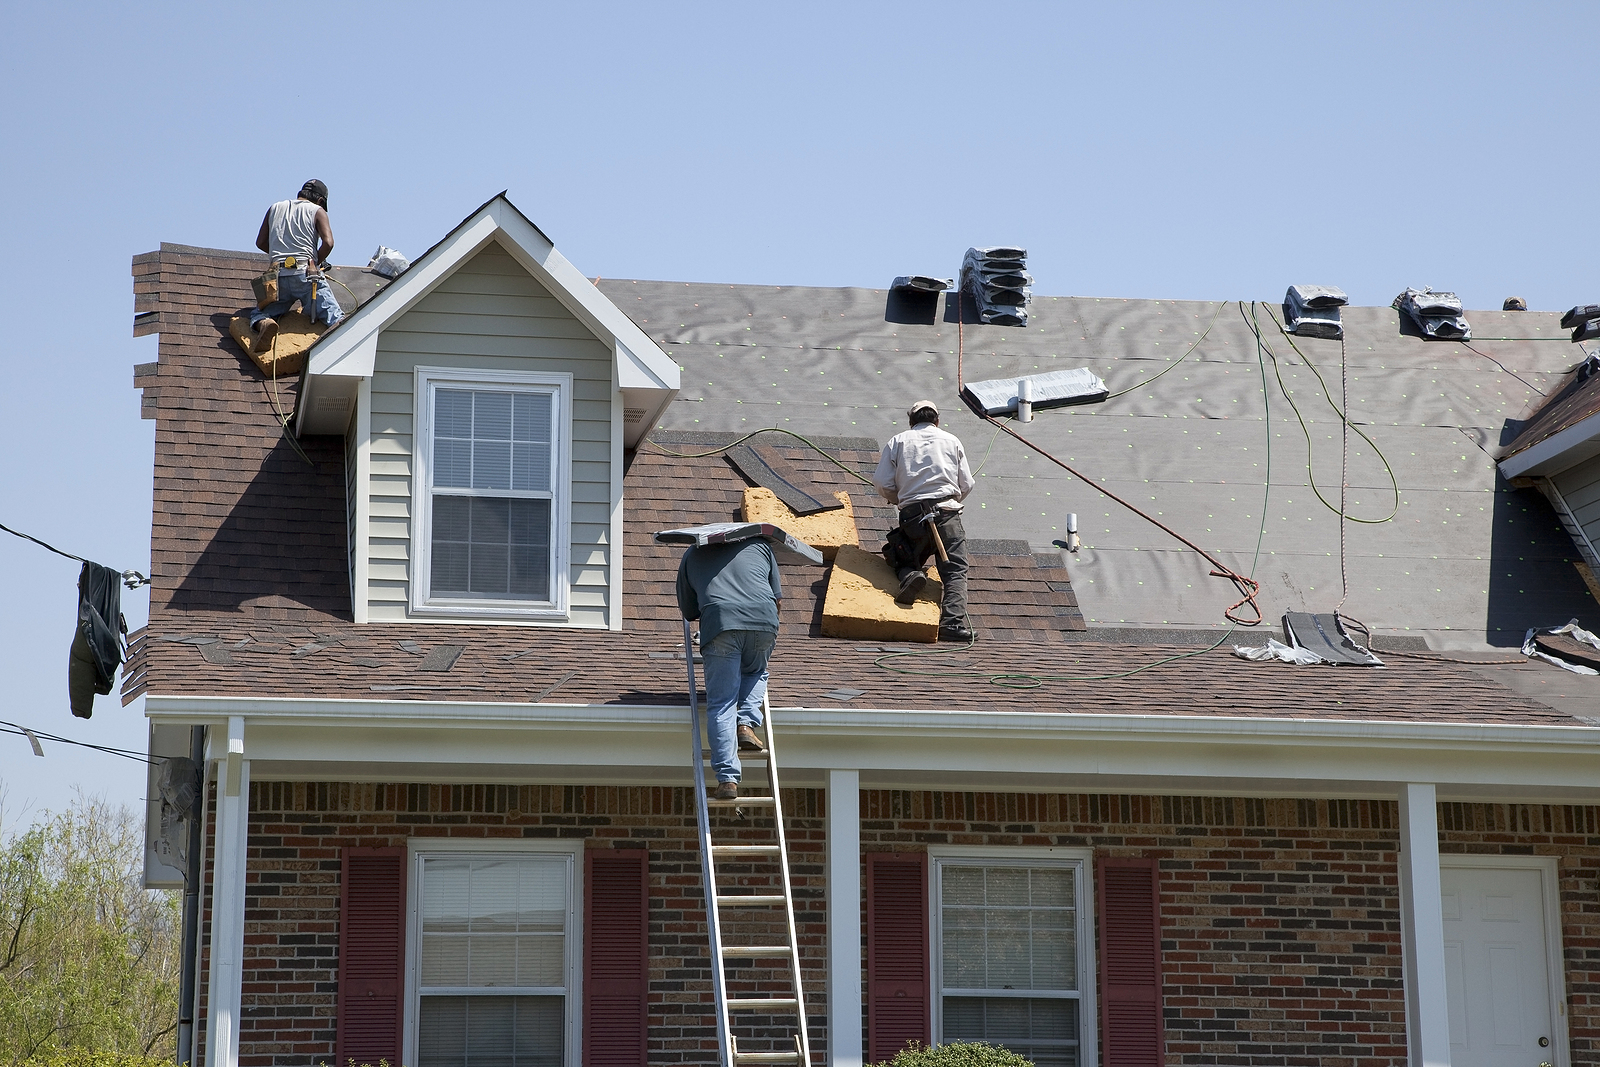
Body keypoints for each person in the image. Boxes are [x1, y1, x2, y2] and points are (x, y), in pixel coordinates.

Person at [676, 537, 783, 800]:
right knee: (756, 672)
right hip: (763, 618)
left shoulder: (693, 553)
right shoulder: (760, 546)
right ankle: (746, 724)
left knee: (722, 703)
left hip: (721, 621)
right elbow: (778, 600)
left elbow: (689, 611)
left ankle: (727, 780)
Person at [873, 399, 976, 642]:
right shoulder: (951, 440)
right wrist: (950, 499)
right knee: (954, 569)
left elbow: (882, 482)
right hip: (946, 513)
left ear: (911, 422)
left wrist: (901, 500)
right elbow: (967, 484)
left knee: (903, 558)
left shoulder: (898, 441)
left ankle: (909, 575)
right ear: (937, 421)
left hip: (913, 516)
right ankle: (952, 623)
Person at [250, 179, 343, 354]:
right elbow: (328, 243)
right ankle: (336, 352)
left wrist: (279, 256)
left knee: (259, 314)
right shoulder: (318, 210)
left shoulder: (274, 208)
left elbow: (260, 242)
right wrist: (315, 261)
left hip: (276, 277)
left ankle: (265, 323)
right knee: (335, 318)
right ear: (321, 200)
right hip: (305, 273)